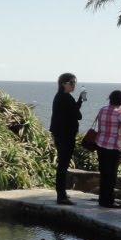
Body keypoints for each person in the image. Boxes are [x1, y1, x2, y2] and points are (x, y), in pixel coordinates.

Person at [48, 72, 87, 206]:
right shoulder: (65, 98)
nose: (74, 85)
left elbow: (74, 111)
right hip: (65, 135)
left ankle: (61, 192)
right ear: (64, 84)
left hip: (60, 134)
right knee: (63, 165)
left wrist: (80, 100)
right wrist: (79, 101)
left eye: (74, 83)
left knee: (62, 164)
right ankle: (61, 195)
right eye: (72, 83)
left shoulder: (60, 97)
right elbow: (78, 115)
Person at [92, 90, 121, 208]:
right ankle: (109, 201)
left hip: (100, 144)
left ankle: (102, 199)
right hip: (113, 146)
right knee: (111, 176)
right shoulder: (119, 113)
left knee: (104, 173)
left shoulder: (102, 109)